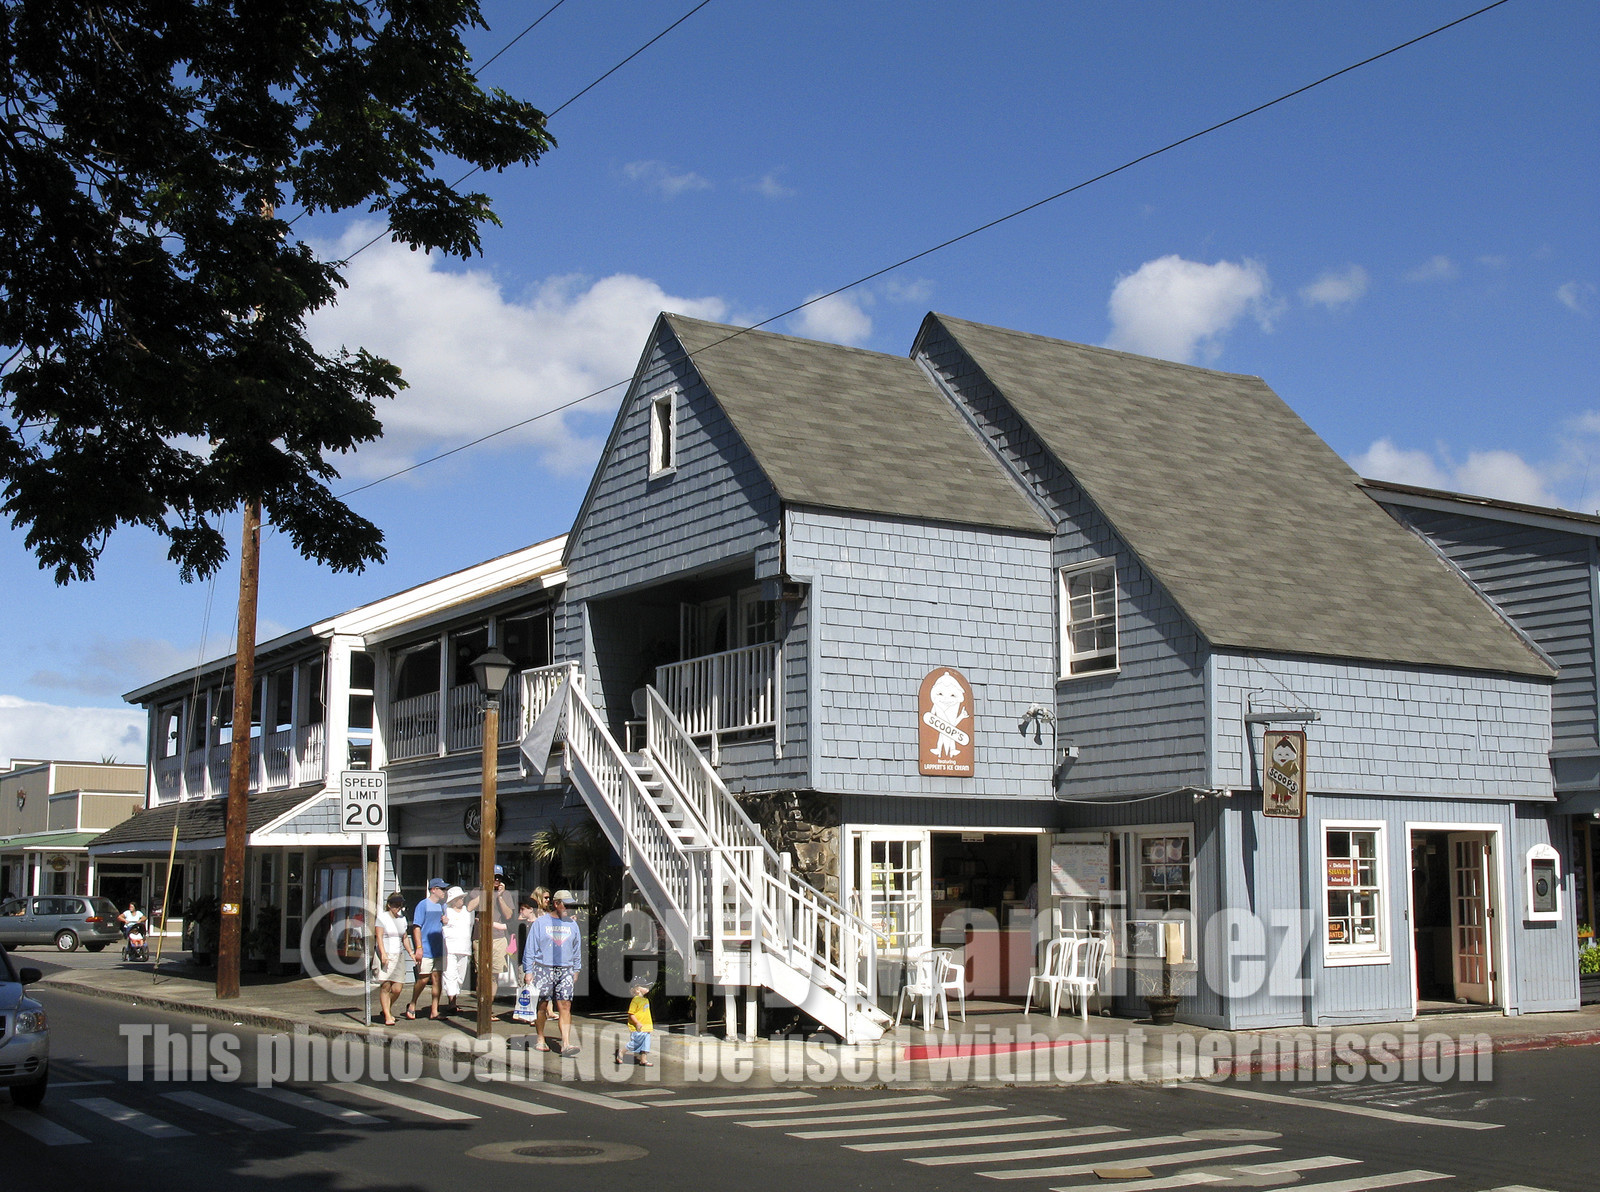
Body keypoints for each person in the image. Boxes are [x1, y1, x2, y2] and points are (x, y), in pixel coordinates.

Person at [522, 888, 583, 1055]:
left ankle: (566, 1043)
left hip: (566, 969)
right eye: (565, 904)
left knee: (565, 1005)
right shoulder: (541, 923)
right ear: (556, 904)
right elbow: (530, 948)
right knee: (542, 1005)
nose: (569, 908)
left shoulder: (573, 924)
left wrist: (576, 968)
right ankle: (540, 1038)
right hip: (543, 967)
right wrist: (528, 970)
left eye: (571, 905)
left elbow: (577, 947)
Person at [466, 866, 516, 993]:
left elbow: (509, 915)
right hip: (480, 937)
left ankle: (488, 1009)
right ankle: (481, 1009)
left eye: (499, 877)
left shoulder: (506, 894)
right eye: (494, 877)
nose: (497, 880)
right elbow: (470, 907)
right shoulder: (477, 891)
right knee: (482, 975)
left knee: (494, 976)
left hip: (498, 938)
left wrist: (499, 896)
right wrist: (485, 892)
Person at [407, 877, 448, 1020]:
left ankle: (434, 1010)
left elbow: (443, 922)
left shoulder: (442, 906)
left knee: (437, 979)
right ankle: (413, 1003)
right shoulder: (423, 905)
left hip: (439, 947)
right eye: (442, 889)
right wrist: (418, 947)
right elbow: (416, 927)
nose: (444, 891)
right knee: (423, 979)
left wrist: (445, 921)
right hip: (426, 948)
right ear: (433, 890)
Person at [372, 892, 410, 1025]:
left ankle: (387, 1008)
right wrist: (382, 953)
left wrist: (411, 951)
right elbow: (379, 937)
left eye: (400, 905)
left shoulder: (402, 919)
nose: (398, 907)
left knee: (397, 988)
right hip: (386, 953)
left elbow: (404, 937)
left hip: (398, 954)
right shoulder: (382, 917)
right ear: (389, 905)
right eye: (395, 905)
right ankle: (387, 1015)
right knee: (386, 986)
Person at [439, 885, 473, 1015]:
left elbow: (474, 903)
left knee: (460, 976)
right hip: (450, 948)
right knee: (450, 974)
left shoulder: (467, 911)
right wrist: (443, 920)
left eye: (463, 898)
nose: (462, 900)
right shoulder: (446, 911)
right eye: (459, 898)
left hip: (464, 948)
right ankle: (451, 1002)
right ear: (453, 900)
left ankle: (454, 999)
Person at [616, 979, 654, 1067]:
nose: (647, 988)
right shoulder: (635, 1000)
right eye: (644, 986)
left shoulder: (646, 1000)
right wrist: (637, 1023)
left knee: (646, 1045)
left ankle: (643, 1060)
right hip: (638, 1028)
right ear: (637, 989)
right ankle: (622, 1051)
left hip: (646, 1027)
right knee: (635, 1043)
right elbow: (631, 1014)